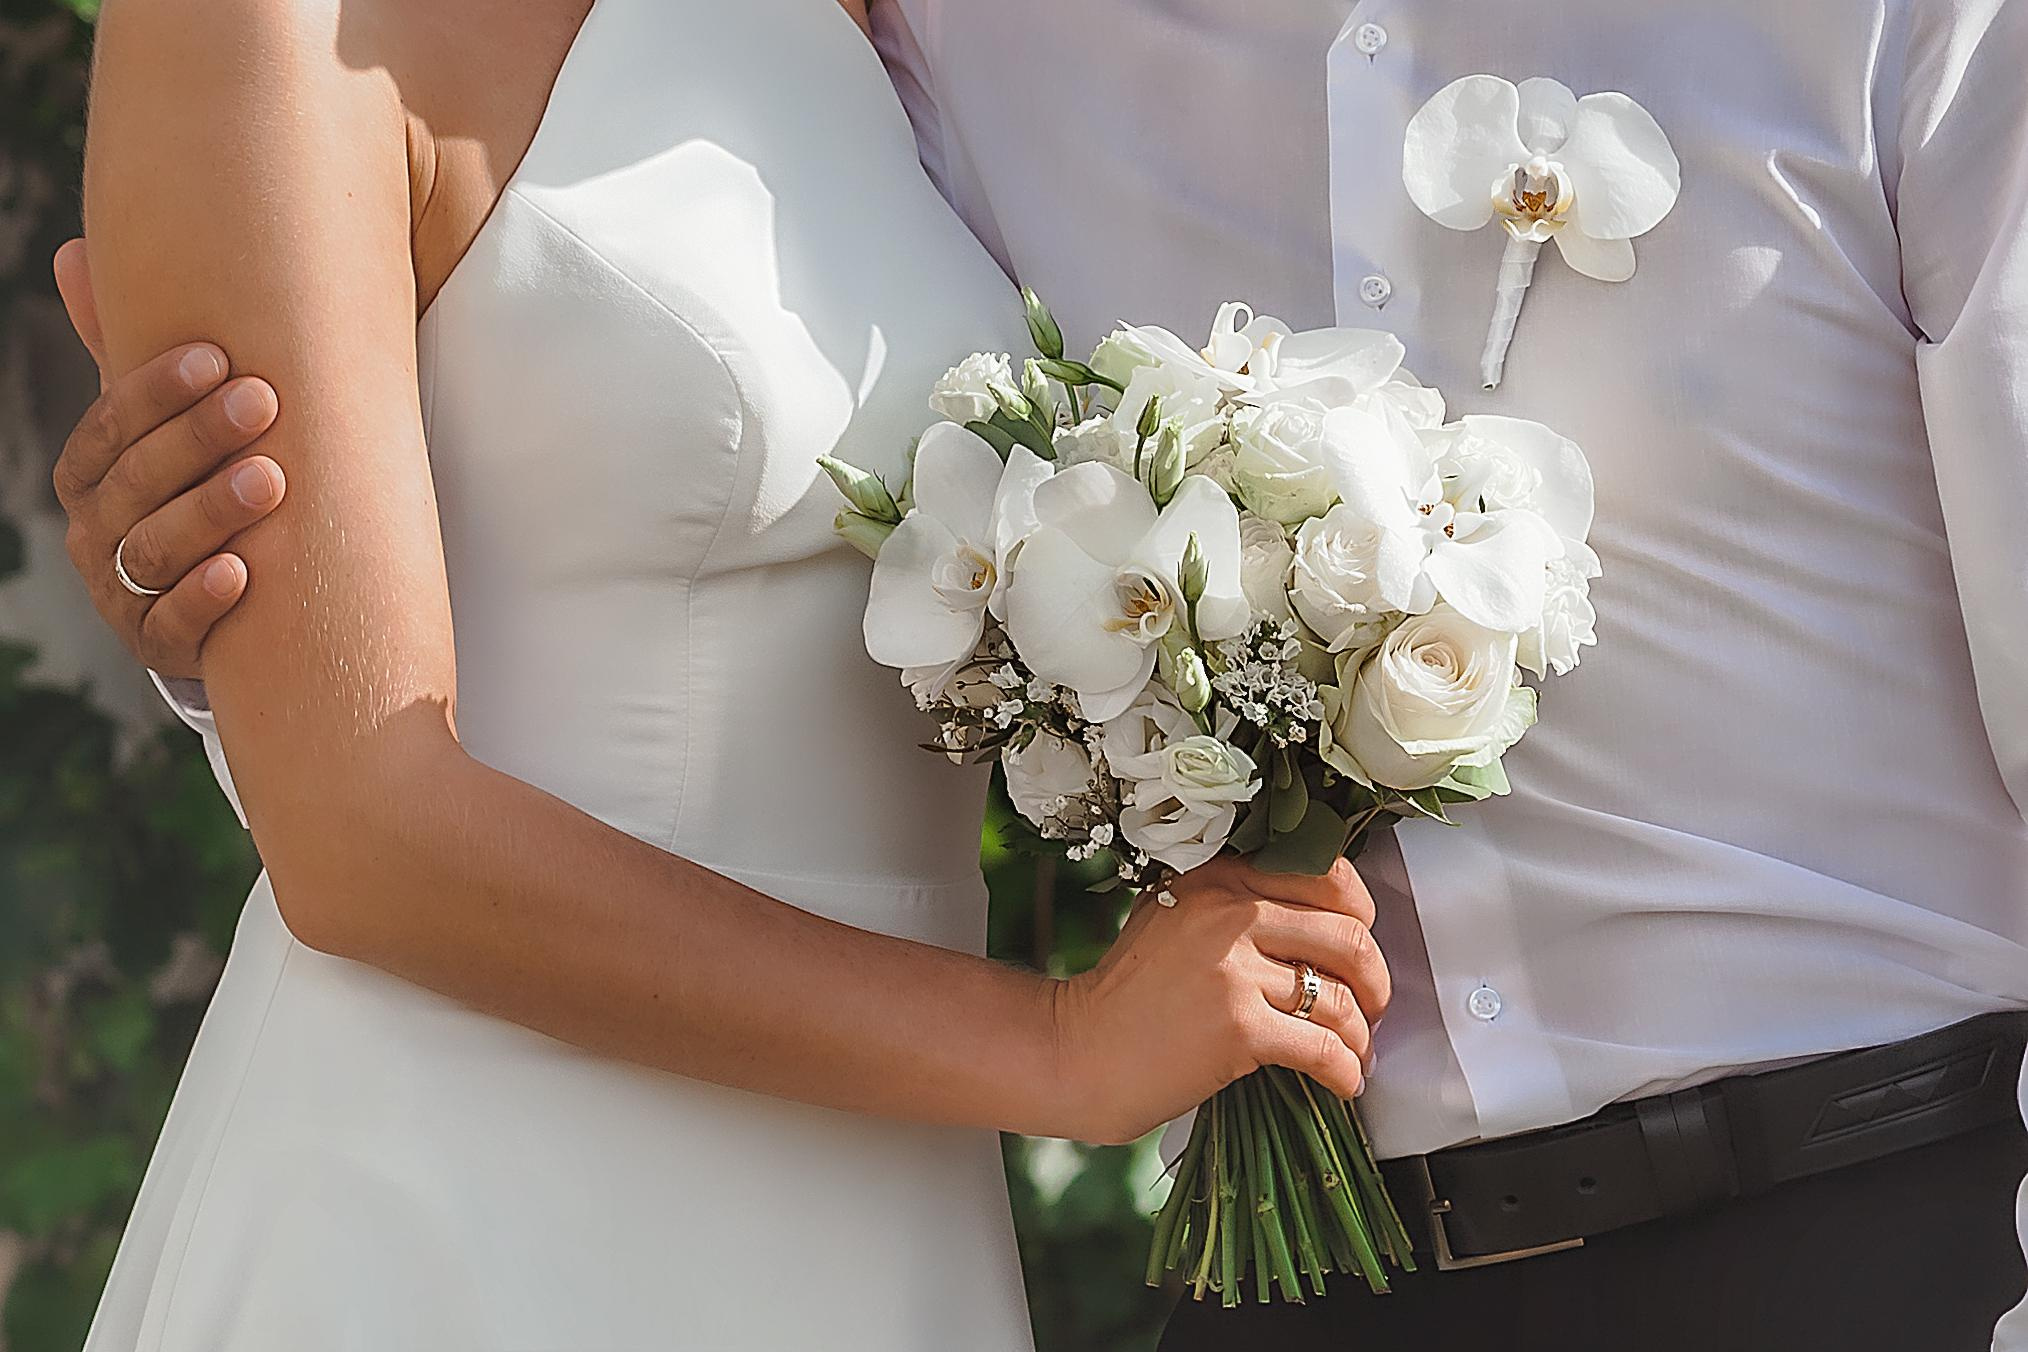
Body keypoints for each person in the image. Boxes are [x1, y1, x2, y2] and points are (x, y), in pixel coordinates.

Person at [57, 0, 2028, 1347]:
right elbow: (382, 798)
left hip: (1879, 1216)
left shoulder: (861, 28)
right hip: (502, 1181)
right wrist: (247, 624)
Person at [50, 0, 1393, 1347]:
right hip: (470, 1202)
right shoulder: (267, 25)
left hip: (870, 1198)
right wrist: (1056, 1048)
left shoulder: (868, 30)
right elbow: (359, 831)